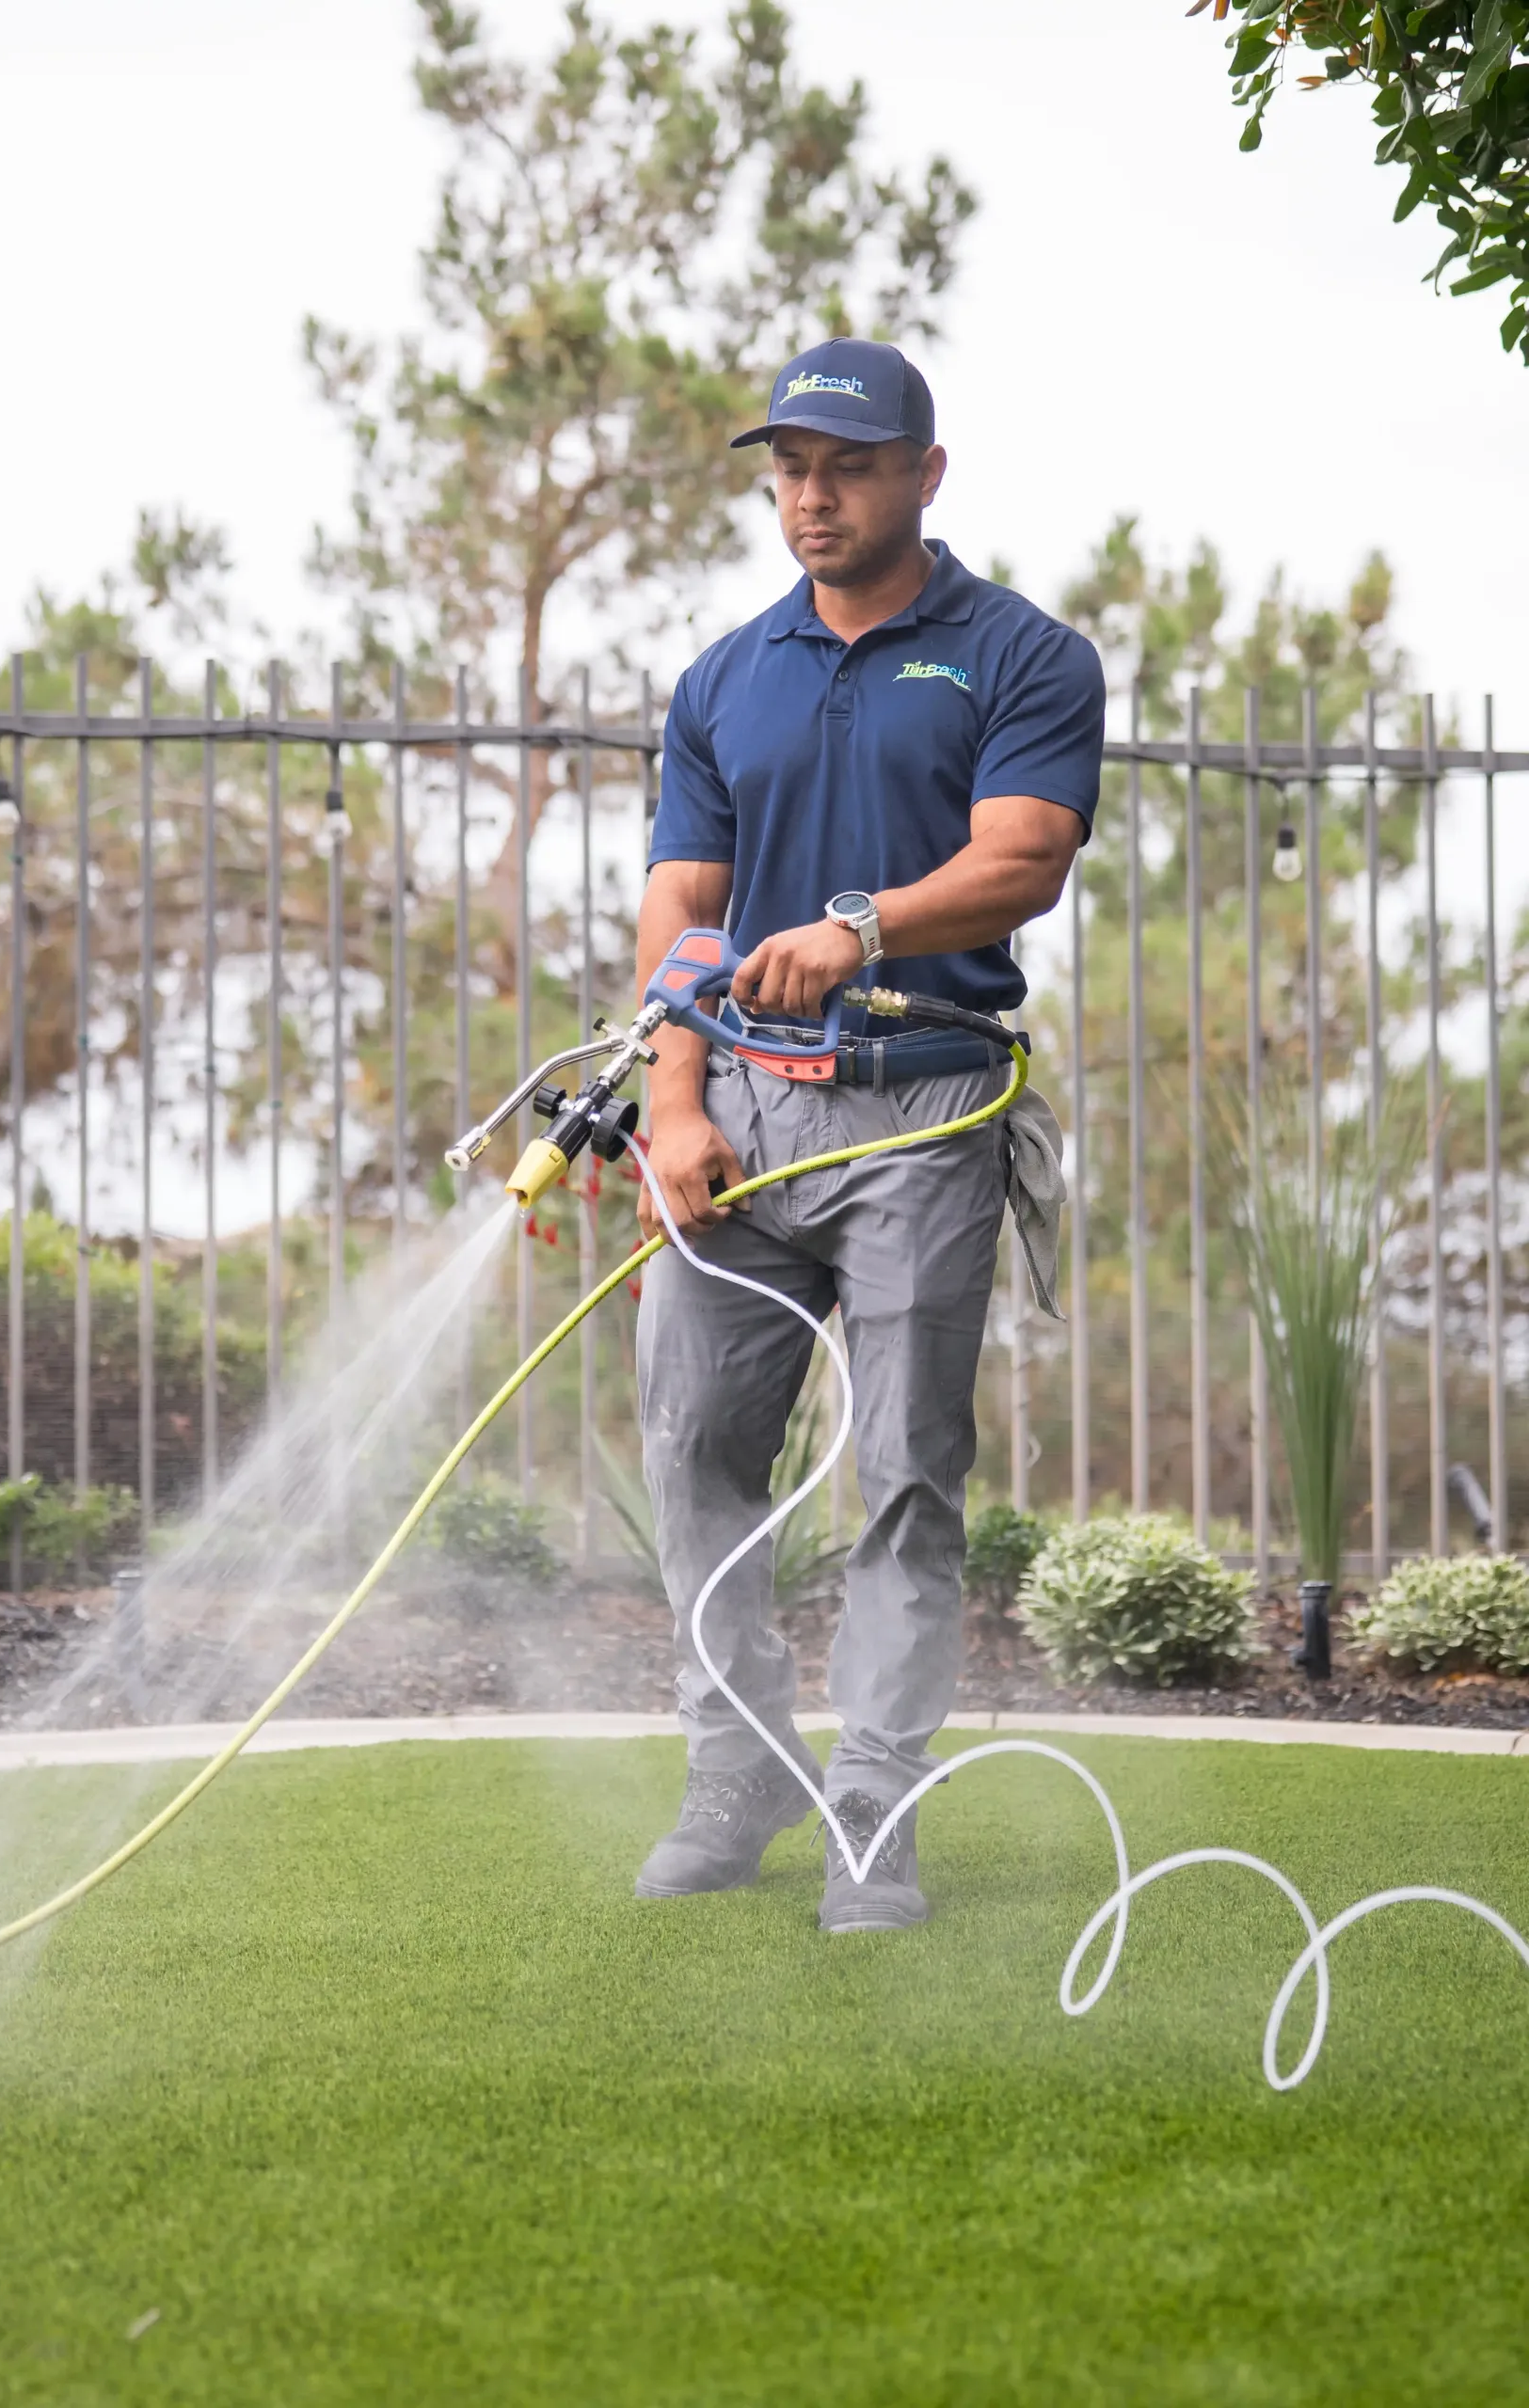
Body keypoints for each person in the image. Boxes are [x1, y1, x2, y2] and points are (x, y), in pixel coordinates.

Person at [631, 336, 1105, 1933]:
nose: (808, 496)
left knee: (904, 1471)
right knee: (694, 1450)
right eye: (788, 468)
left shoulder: (1022, 656)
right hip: (743, 1116)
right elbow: (683, 915)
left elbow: (1022, 859)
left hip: (923, 1102)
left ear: (925, 474)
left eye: (843, 466)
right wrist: (674, 1107)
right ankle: (739, 1766)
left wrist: (858, 927)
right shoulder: (724, 677)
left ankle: (871, 1814)